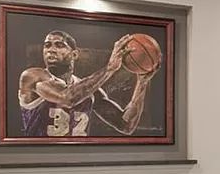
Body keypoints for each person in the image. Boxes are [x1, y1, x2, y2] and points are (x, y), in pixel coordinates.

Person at [17, 31, 155, 137]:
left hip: (78, 162)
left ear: (74, 55)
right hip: (40, 159)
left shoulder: (89, 90)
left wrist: (142, 83)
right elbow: (67, 98)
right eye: (47, 45)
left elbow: (126, 125)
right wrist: (109, 68)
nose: (51, 50)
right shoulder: (32, 76)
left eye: (59, 45)